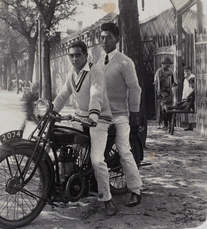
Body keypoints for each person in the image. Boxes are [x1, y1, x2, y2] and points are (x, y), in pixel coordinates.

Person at [52, 41, 115, 216]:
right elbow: (64, 94)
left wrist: (93, 116)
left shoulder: (95, 72)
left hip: (99, 118)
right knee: (65, 150)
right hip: (80, 117)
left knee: (96, 160)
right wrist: (51, 110)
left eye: (78, 55)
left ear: (86, 55)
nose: (74, 58)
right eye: (71, 55)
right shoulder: (72, 73)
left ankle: (106, 199)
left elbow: (96, 94)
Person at [96, 22, 143, 210]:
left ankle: (136, 190)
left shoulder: (125, 62)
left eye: (108, 37)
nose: (104, 41)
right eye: (102, 38)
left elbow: (134, 88)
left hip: (121, 115)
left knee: (124, 150)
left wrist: (134, 113)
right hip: (101, 116)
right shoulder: (99, 62)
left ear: (117, 39)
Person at [154, 57, 178, 130]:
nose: (168, 65)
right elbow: (157, 82)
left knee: (170, 108)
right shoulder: (159, 71)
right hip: (162, 91)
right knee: (163, 108)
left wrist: (174, 85)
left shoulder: (171, 71)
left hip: (169, 92)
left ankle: (170, 124)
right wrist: (166, 76)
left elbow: (175, 82)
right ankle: (164, 124)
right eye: (166, 64)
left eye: (169, 64)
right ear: (163, 64)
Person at [182, 66, 195, 130]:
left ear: (190, 71)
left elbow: (192, 88)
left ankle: (191, 124)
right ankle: (189, 124)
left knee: (190, 110)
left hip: (191, 97)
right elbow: (184, 89)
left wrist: (189, 96)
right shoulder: (185, 79)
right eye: (185, 71)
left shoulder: (193, 77)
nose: (186, 72)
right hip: (186, 96)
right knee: (187, 110)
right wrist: (183, 97)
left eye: (187, 71)